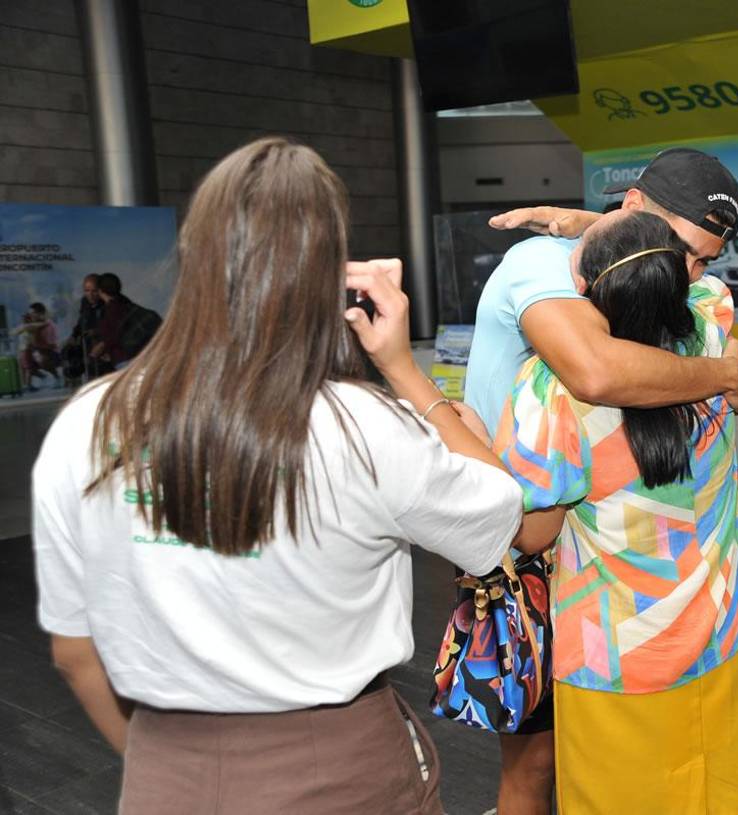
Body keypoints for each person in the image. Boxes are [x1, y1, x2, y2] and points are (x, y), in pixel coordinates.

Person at [31, 137, 531, 814]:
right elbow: (501, 512)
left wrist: (174, 766)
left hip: (166, 770)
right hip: (341, 768)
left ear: (197, 258)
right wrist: (402, 368)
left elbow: (73, 651)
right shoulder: (365, 426)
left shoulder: (88, 422)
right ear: (329, 273)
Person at [472, 147, 738, 815]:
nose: (692, 272)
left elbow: (531, 528)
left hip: (617, 647)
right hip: (722, 623)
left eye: (704, 258)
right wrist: (729, 375)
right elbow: (612, 357)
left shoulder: (551, 396)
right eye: (681, 253)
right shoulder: (709, 317)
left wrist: (437, 411)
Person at [91, 273, 161, 368]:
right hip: (142, 357)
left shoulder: (111, 310)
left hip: (126, 360)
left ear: (100, 291)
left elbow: (114, 335)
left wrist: (101, 347)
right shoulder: (127, 305)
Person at [64, 274, 107, 383]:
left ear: (101, 290)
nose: (90, 295)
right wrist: (74, 335)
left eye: (94, 291)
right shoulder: (85, 302)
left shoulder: (108, 304)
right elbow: (81, 321)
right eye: (87, 291)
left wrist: (96, 332)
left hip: (103, 347)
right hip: (87, 345)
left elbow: (113, 328)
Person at [14, 302, 59, 390]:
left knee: (40, 358)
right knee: (23, 360)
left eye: (33, 313)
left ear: (40, 313)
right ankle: (28, 384)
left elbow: (52, 345)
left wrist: (36, 347)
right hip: (36, 352)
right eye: (30, 314)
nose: (31, 315)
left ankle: (56, 377)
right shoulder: (33, 326)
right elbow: (17, 331)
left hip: (50, 353)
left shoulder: (48, 326)